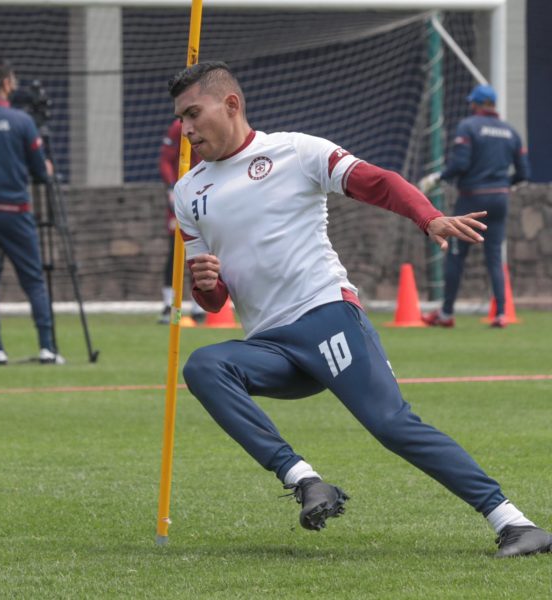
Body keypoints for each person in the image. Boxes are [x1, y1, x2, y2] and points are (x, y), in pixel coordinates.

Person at [169, 62, 551, 557]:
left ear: (232, 104)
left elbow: (378, 181)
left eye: (194, 114)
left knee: (390, 424)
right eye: (181, 118)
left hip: (325, 316)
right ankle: (306, 481)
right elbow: (214, 298)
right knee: (204, 366)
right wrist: (203, 284)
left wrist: (428, 217)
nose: (187, 129)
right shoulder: (186, 192)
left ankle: (515, 523)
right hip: (269, 345)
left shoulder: (295, 150)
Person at [419, 84, 530, 329]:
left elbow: (460, 164)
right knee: (494, 257)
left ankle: (446, 314)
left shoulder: (468, 126)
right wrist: (502, 184)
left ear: (476, 104)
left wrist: (438, 178)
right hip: (499, 199)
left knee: (457, 256)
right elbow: (524, 173)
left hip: (472, 198)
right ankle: (501, 314)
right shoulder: (511, 131)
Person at [0, 60, 63, 365]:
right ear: (6, 83)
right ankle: (47, 347)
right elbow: (40, 171)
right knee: (33, 279)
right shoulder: (21, 121)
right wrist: (46, 168)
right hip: (15, 212)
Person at [158, 118, 205, 325]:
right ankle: (169, 305)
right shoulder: (178, 128)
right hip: (180, 194)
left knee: (201, 250)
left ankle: (199, 306)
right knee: (174, 249)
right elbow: (165, 160)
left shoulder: (210, 125)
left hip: (203, 192)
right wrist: (171, 188)